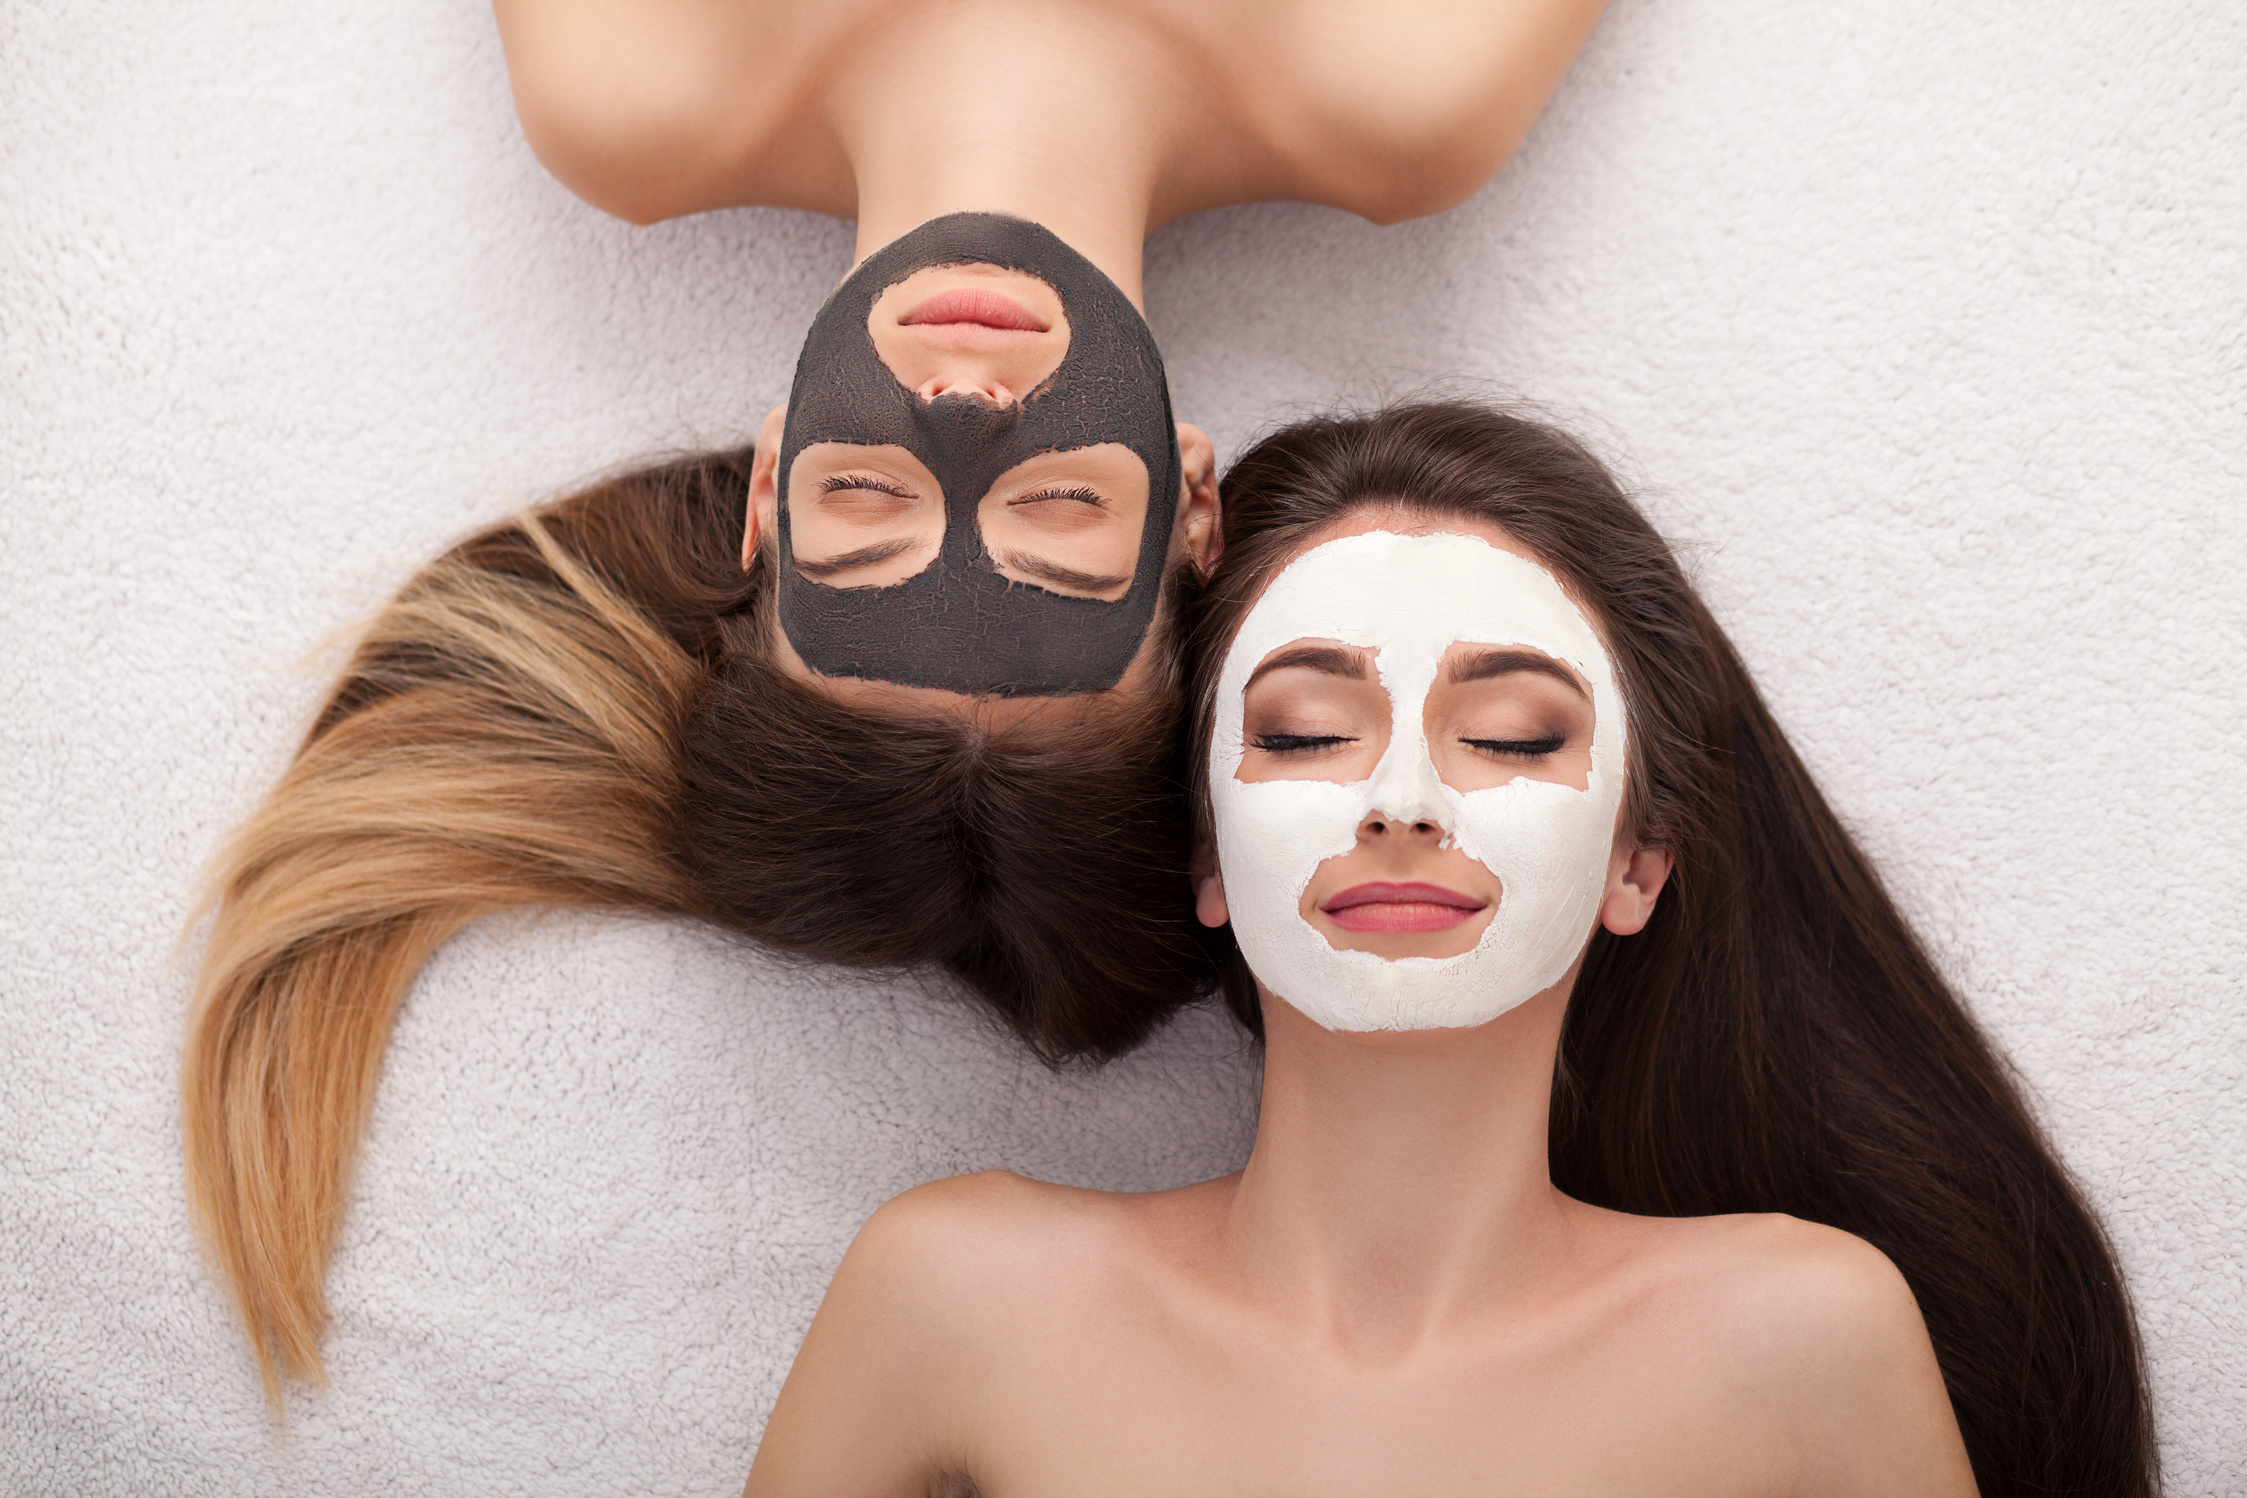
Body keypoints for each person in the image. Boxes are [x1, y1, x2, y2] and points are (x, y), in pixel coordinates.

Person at [182, 0, 1613, 1400]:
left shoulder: (632, 81)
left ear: (767, 479)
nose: (964, 408)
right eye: (1057, 509)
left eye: (863, 498)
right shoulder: (1405, 86)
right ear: (1192, 502)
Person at [742, 405, 2156, 1497]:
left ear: (1637, 858)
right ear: (1204, 853)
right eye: (1302, 732)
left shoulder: (1805, 1336)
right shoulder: (956, 1292)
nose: (1403, 797)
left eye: (1512, 737)